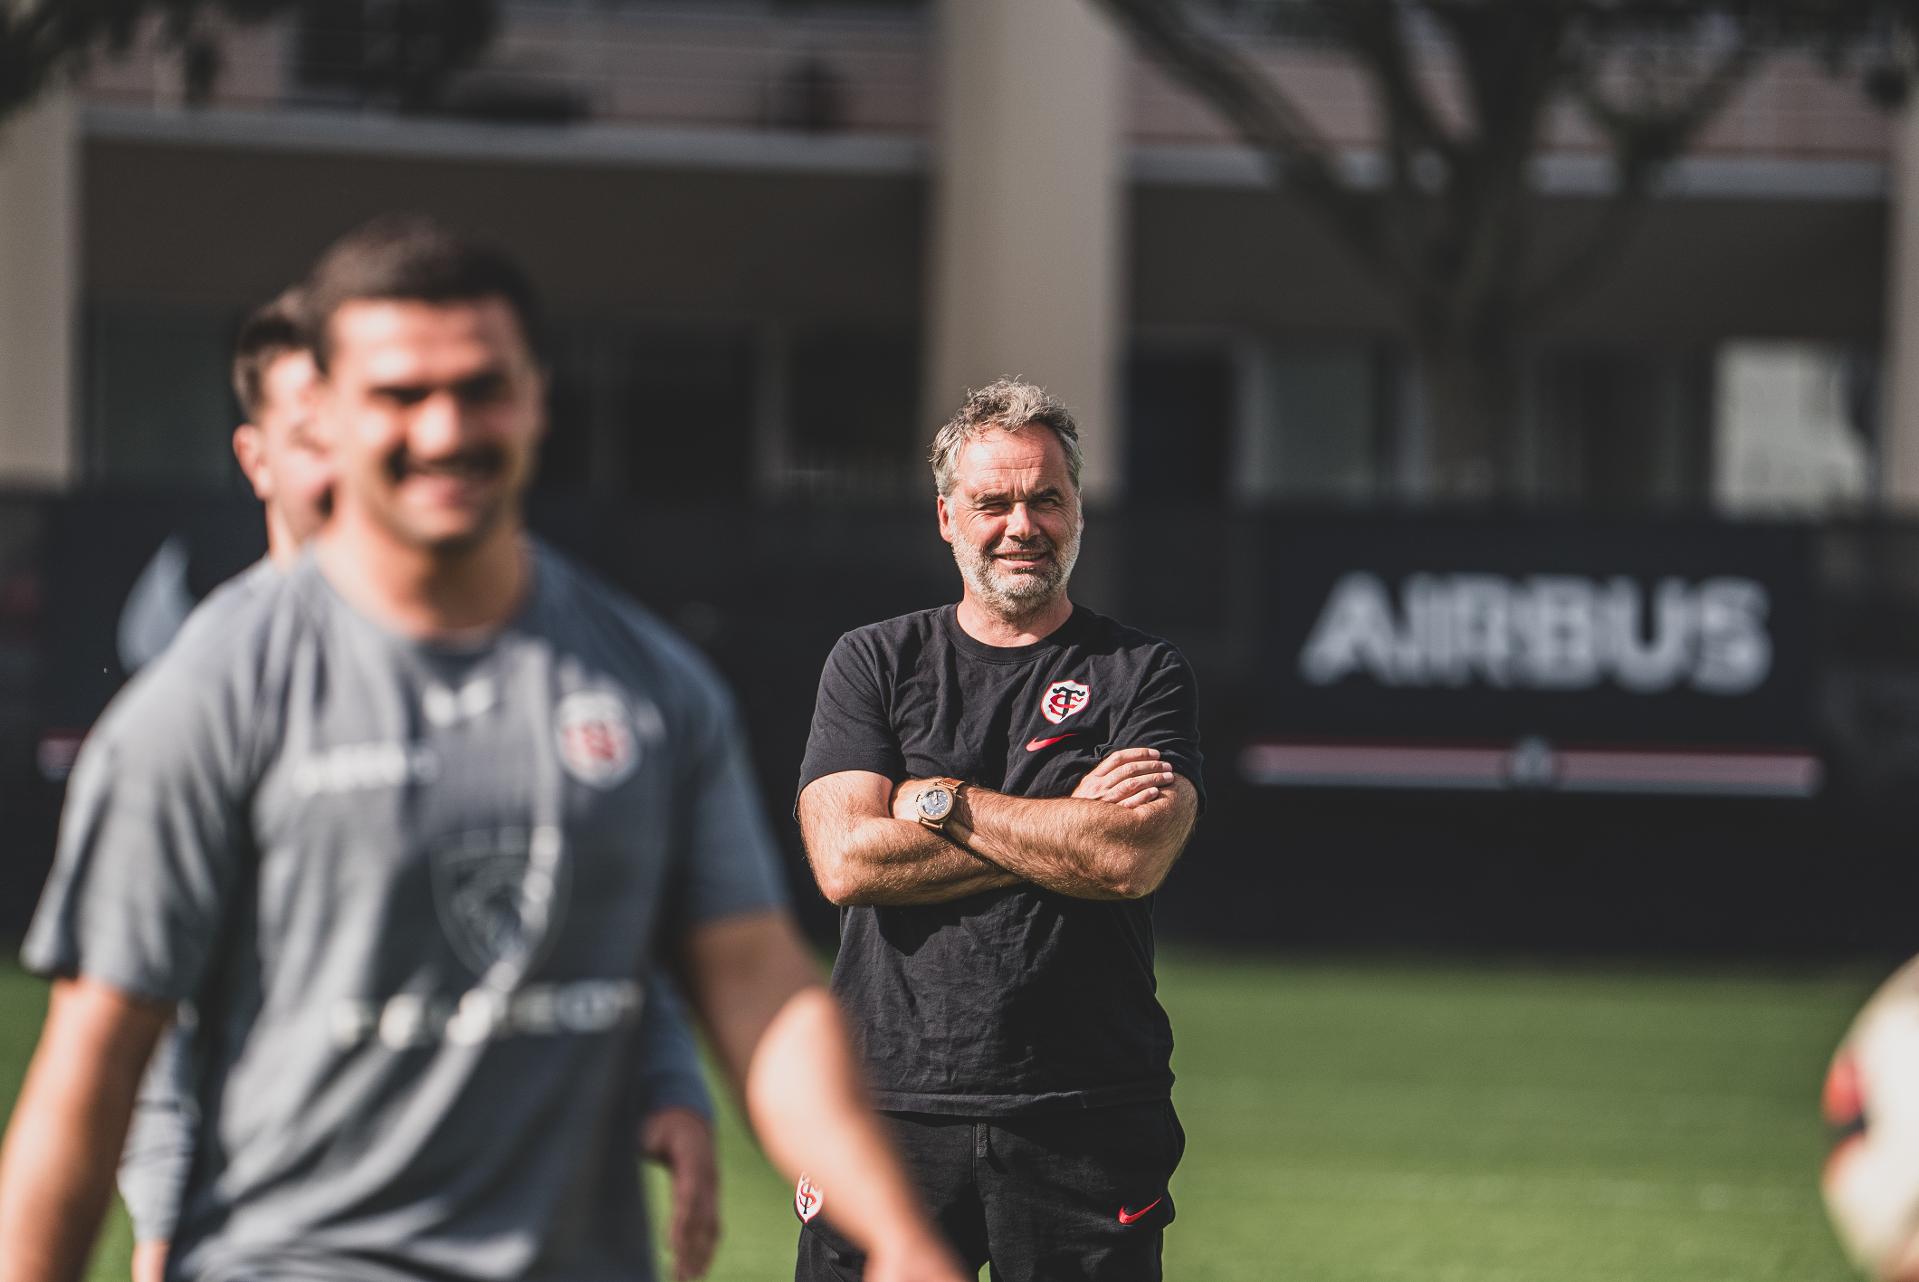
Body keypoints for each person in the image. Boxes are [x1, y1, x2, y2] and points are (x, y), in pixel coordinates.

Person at [0, 214, 965, 1282]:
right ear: (321, 412)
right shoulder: (207, 700)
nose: (445, 427)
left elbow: (755, 983)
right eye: (400, 395)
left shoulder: (649, 687)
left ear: (537, 395)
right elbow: (90, 1075)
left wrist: (900, 1233)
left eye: (480, 387)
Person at [115, 290, 721, 1282]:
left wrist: (665, 1075)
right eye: (314, 435)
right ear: (256, 456)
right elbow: (137, 1027)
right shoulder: (208, 686)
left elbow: (597, 907)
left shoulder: (538, 654)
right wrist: (158, 1233)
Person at [794, 380, 1204, 1281]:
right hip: (885, 1103)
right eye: (993, 503)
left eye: (1045, 499)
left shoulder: (1140, 672)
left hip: (1084, 1108)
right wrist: (1062, 821)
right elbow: (845, 861)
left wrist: (940, 802)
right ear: (947, 517)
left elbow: (1127, 855)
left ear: (1077, 512)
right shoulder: (872, 661)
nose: (1022, 524)